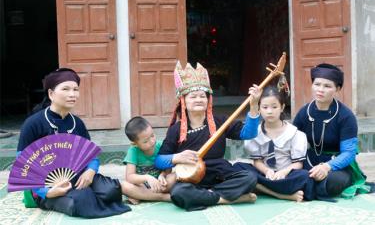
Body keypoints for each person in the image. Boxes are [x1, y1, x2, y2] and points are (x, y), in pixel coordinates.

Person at [17, 68, 131, 218]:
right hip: (47, 185)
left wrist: (90, 172)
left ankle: (83, 196)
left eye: (75, 89)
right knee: (78, 203)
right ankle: (49, 200)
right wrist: (46, 191)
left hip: (77, 177)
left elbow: (91, 155)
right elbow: (22, 163)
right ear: (51, 94)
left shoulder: (77, 123)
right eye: (65, 89)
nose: (72, 94)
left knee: (111, 191)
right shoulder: (33, 124)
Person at [154, 61, 260, 211]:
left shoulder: (221, 122)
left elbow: (249, 133)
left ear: (208, 100)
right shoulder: (176, 130)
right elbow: (158, 160)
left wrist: (254, 105)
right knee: (178, 192)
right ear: (183, 102)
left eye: (202, 96)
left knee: (249, 178)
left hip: (220, 173)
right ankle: (224, 199)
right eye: (193, 97)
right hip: (192, 178)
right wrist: (177, 158)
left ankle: (206, 197)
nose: (198, 99)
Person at [293, 63, 371, 200]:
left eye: (327, 86)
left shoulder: (346, 116)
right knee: (297, 174)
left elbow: (349, 152)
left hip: (336, 163)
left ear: (337, 89)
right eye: (317, 84)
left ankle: (304, 189)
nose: (320, 90)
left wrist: (327, 167)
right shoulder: (304, 112)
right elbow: (292, 141)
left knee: (334, 182)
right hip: (309, 160)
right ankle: (309, 187)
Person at [233, 86, 315, 202]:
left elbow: (298, 164)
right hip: (265, 175)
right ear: (259, 109)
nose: (269, 111)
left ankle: (260, 189)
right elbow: (257, 161)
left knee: (304, 176)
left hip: (286, 176)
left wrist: (284, 171)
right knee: (237, 168)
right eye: (265, 107)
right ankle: (281, 195)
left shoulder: (294, 133)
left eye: (274, 107)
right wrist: (266, 171)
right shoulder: (255, 132)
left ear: (282, 107)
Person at [123, 116, 175, 204]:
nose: (152, 141)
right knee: (124, 186)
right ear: (135, 144)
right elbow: (130, 177)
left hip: (160, 184)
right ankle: (164, 197)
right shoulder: (133, 151)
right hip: (142, 186)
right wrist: (147, 178)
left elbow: (168, 167)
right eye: (145, 141)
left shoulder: (161, 145)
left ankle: (143, 196)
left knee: (174, 176)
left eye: (152, 135)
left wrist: (163, 175)